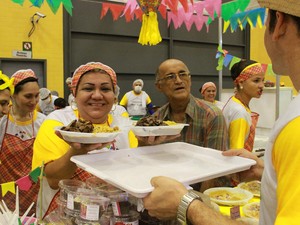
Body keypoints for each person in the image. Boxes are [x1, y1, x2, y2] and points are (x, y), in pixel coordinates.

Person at [143, 0, 300, 224]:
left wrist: (187, 205)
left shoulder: (294, 126)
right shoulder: (157, 118)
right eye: (170, 77)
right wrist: (266, 171)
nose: (178, 81)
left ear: (279, 23)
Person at [32, 62, 139, 218]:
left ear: (114, 95)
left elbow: (136, 169)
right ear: (74, 94)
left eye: (105, 89)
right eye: (88, 88)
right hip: (64, 215)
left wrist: (147, 145)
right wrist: (77, 150)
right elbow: (54, 181)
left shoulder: (122, 124)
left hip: (114, 215)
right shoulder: (57, 123)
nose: (97, 95)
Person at [0, 69, 46, 215]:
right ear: (13, 95)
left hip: (35, 192)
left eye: (37, 95)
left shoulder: (43, 123)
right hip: (5, 190)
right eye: (28, 96)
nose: (34, 101)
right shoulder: (2, 122)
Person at [222, 60, 265, 152]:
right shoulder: (239, 112)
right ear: (241, 83)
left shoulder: (234, 102)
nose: (262, 85)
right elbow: (236, 153)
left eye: (263, 80)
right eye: (256, 81)